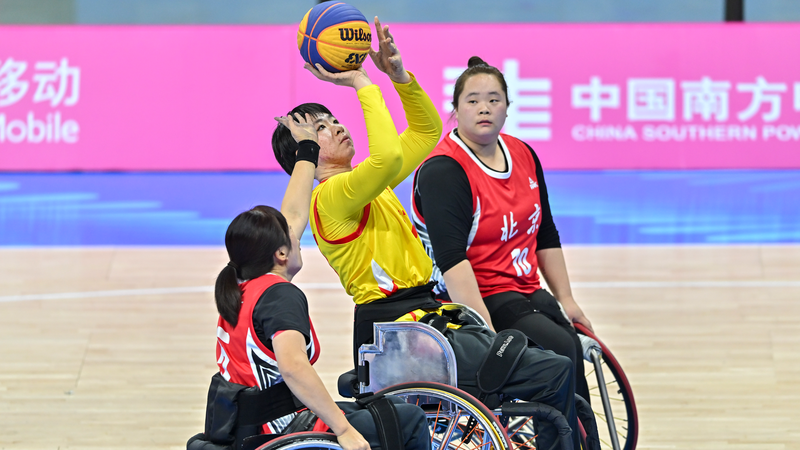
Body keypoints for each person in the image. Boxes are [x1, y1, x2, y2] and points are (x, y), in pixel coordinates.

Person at [272, 18, 582, 450]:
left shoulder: (362, 185)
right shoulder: (332, 197)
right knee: (555, 370)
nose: (338, 126)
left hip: (426, 318)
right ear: (304, 155)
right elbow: (386, 157)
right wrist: (363, 81)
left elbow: (424, 134)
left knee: (554, 364)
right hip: (398, 330)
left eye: (334, 118)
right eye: (321, 128)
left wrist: (399, 77)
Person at [410, 56, 593, 404]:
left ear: (508, 107)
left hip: (523, 286)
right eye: (473, 100)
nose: (484, 108)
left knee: (570, 337)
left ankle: (577, 437)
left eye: (494, 99)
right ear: (456, 109)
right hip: (472, 293)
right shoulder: (444, 170)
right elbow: (452, 261)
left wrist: (566, 299)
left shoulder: (523, 153)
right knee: (559, 350)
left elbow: (545, 232)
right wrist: (484, 331)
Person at [187, 202, 431, 450]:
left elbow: (293, 213)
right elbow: (293, 367)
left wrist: (305, 161)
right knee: (410, 420)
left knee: (393, 409)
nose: (298, 237)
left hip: (245, 425)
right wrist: (344, 430)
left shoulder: (242, 291)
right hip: (280, 430)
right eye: (291, 232)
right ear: (281, 253)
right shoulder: (279, 296)